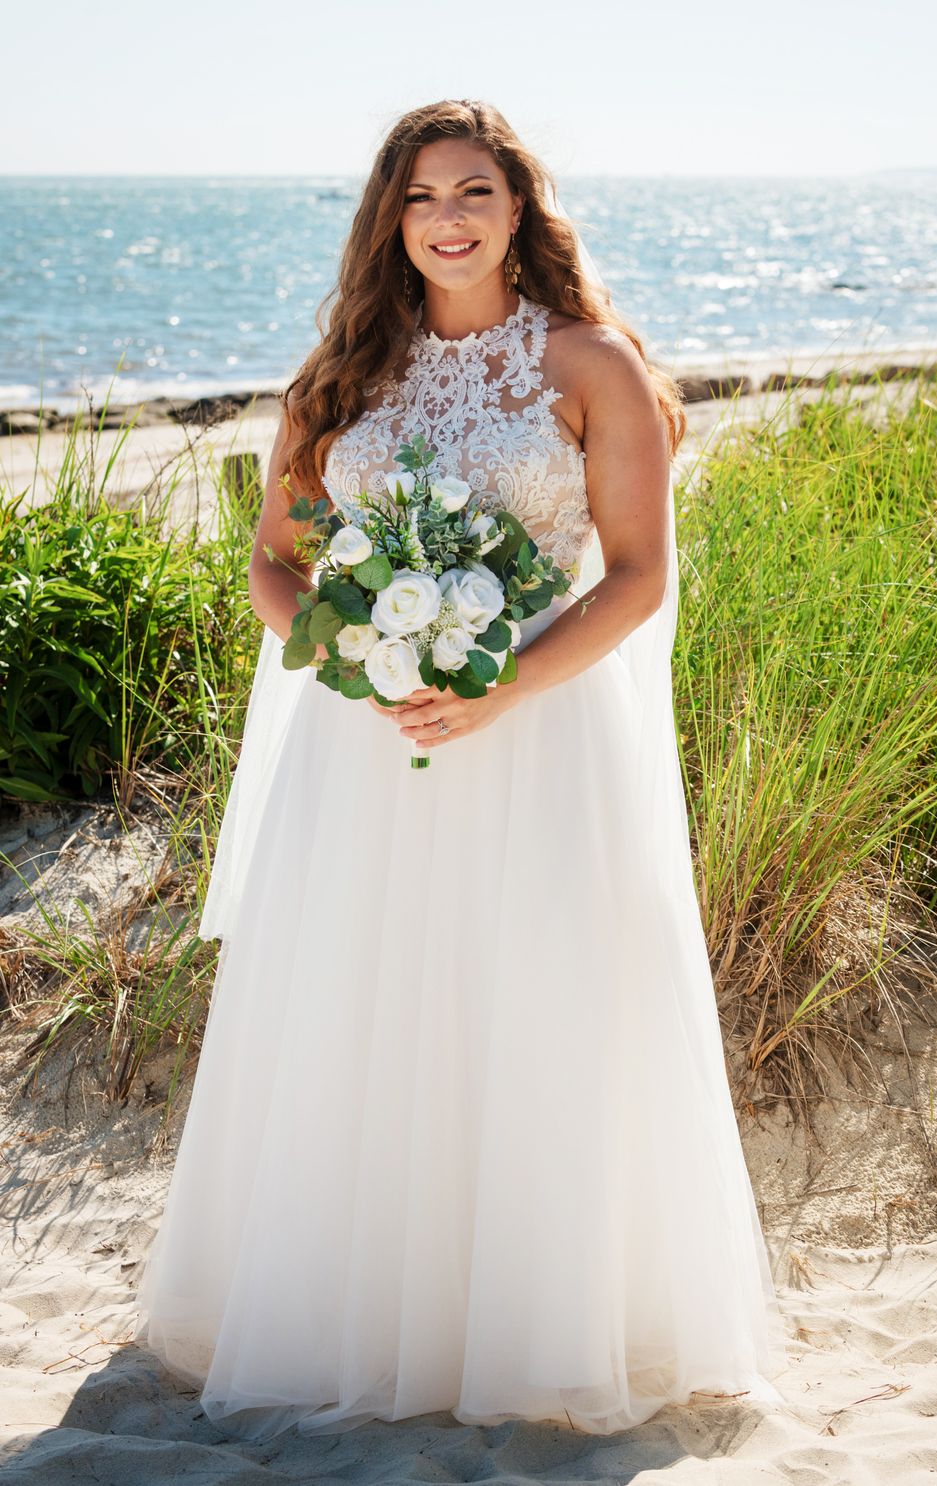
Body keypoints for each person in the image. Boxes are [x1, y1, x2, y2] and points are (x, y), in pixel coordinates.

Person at [131, 98, 789, 1439]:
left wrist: (498, 687)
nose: (450, 214)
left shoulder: (590, 364)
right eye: (425, 192)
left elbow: (641, 578)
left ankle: (534, 1329)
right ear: (393, 216)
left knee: (534, 1006)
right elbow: (276, 563)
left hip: (540, 742)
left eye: (476, 189)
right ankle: (364, 1319)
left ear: (519, 208)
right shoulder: (340, 377)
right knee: (359, 1009)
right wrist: (360, 655)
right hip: (368, 745)